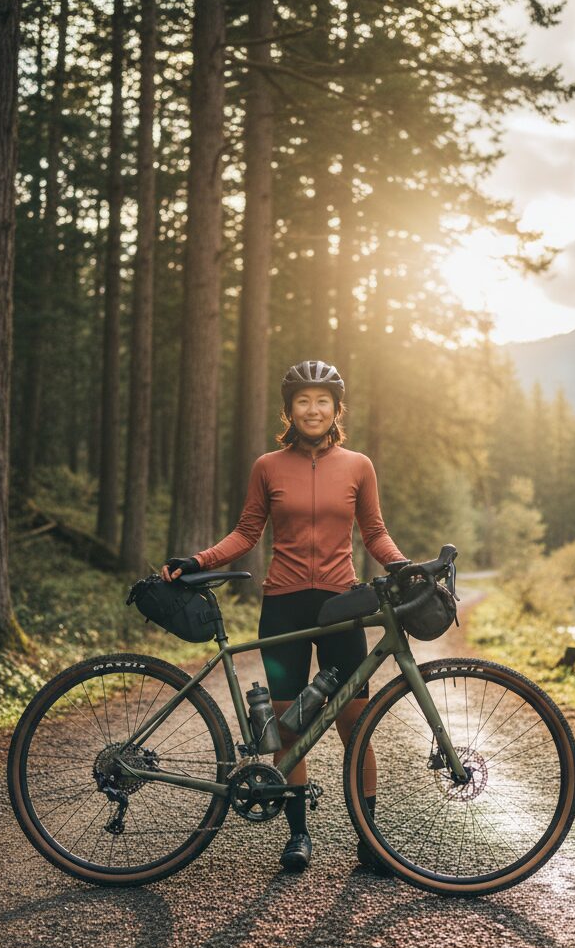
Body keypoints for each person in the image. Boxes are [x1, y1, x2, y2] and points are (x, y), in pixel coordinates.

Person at [160, 359, 405, 874]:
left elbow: (374, 533)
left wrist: (405, 567)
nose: (312, 409)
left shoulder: (358, 465)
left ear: (336, 409)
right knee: (289, 727)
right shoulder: (268, 466)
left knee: (353, 724)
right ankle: (297, 836)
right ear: (289, 410)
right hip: (283, 607)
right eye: (302, 401)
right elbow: (247, 532)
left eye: (322, 401)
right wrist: (198, 561)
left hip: (341, 606)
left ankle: (371, 840)